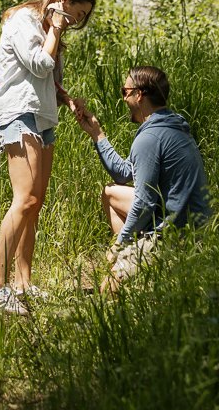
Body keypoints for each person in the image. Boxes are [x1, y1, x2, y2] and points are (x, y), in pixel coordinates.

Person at [0, 0, 96, 314]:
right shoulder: (24, 21)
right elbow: (39, 64)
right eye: (75, 14)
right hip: (19, 112)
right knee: (25, 199)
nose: (75, 22)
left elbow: (47, 78)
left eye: (81, 19)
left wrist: (67, 99)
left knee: (37, 202)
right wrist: (57, 28)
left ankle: (23, 283)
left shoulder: (51, 30)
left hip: (44, 117)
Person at [77, 65, 210, 288]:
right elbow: (124, 174)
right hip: (193, 227)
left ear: (138, 95)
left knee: (109, 287)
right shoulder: (171, 125)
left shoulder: (150, 138)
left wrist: (119, 243)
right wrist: (97, 135)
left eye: (124, 92)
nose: (123, 99)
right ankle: (131, 258)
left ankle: (130, 266)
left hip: (175, 237)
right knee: (110, 192)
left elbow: (145, 202)